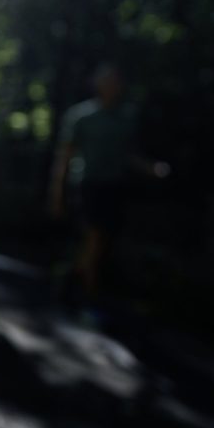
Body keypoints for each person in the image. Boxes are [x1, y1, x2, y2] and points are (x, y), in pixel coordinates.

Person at [51, 65, 168, 309]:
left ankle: (71, 278)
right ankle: (89, 298)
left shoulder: (126, 117)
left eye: (116, 81)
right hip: (87, 184)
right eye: (107, 81)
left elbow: (128, 154)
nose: (112, 86)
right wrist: (57, 192)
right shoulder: (81, 116)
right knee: (94, 237)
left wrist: (151, 168)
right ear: (97, 85)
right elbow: (66, 156)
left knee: (102, 241)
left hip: (114, 185)